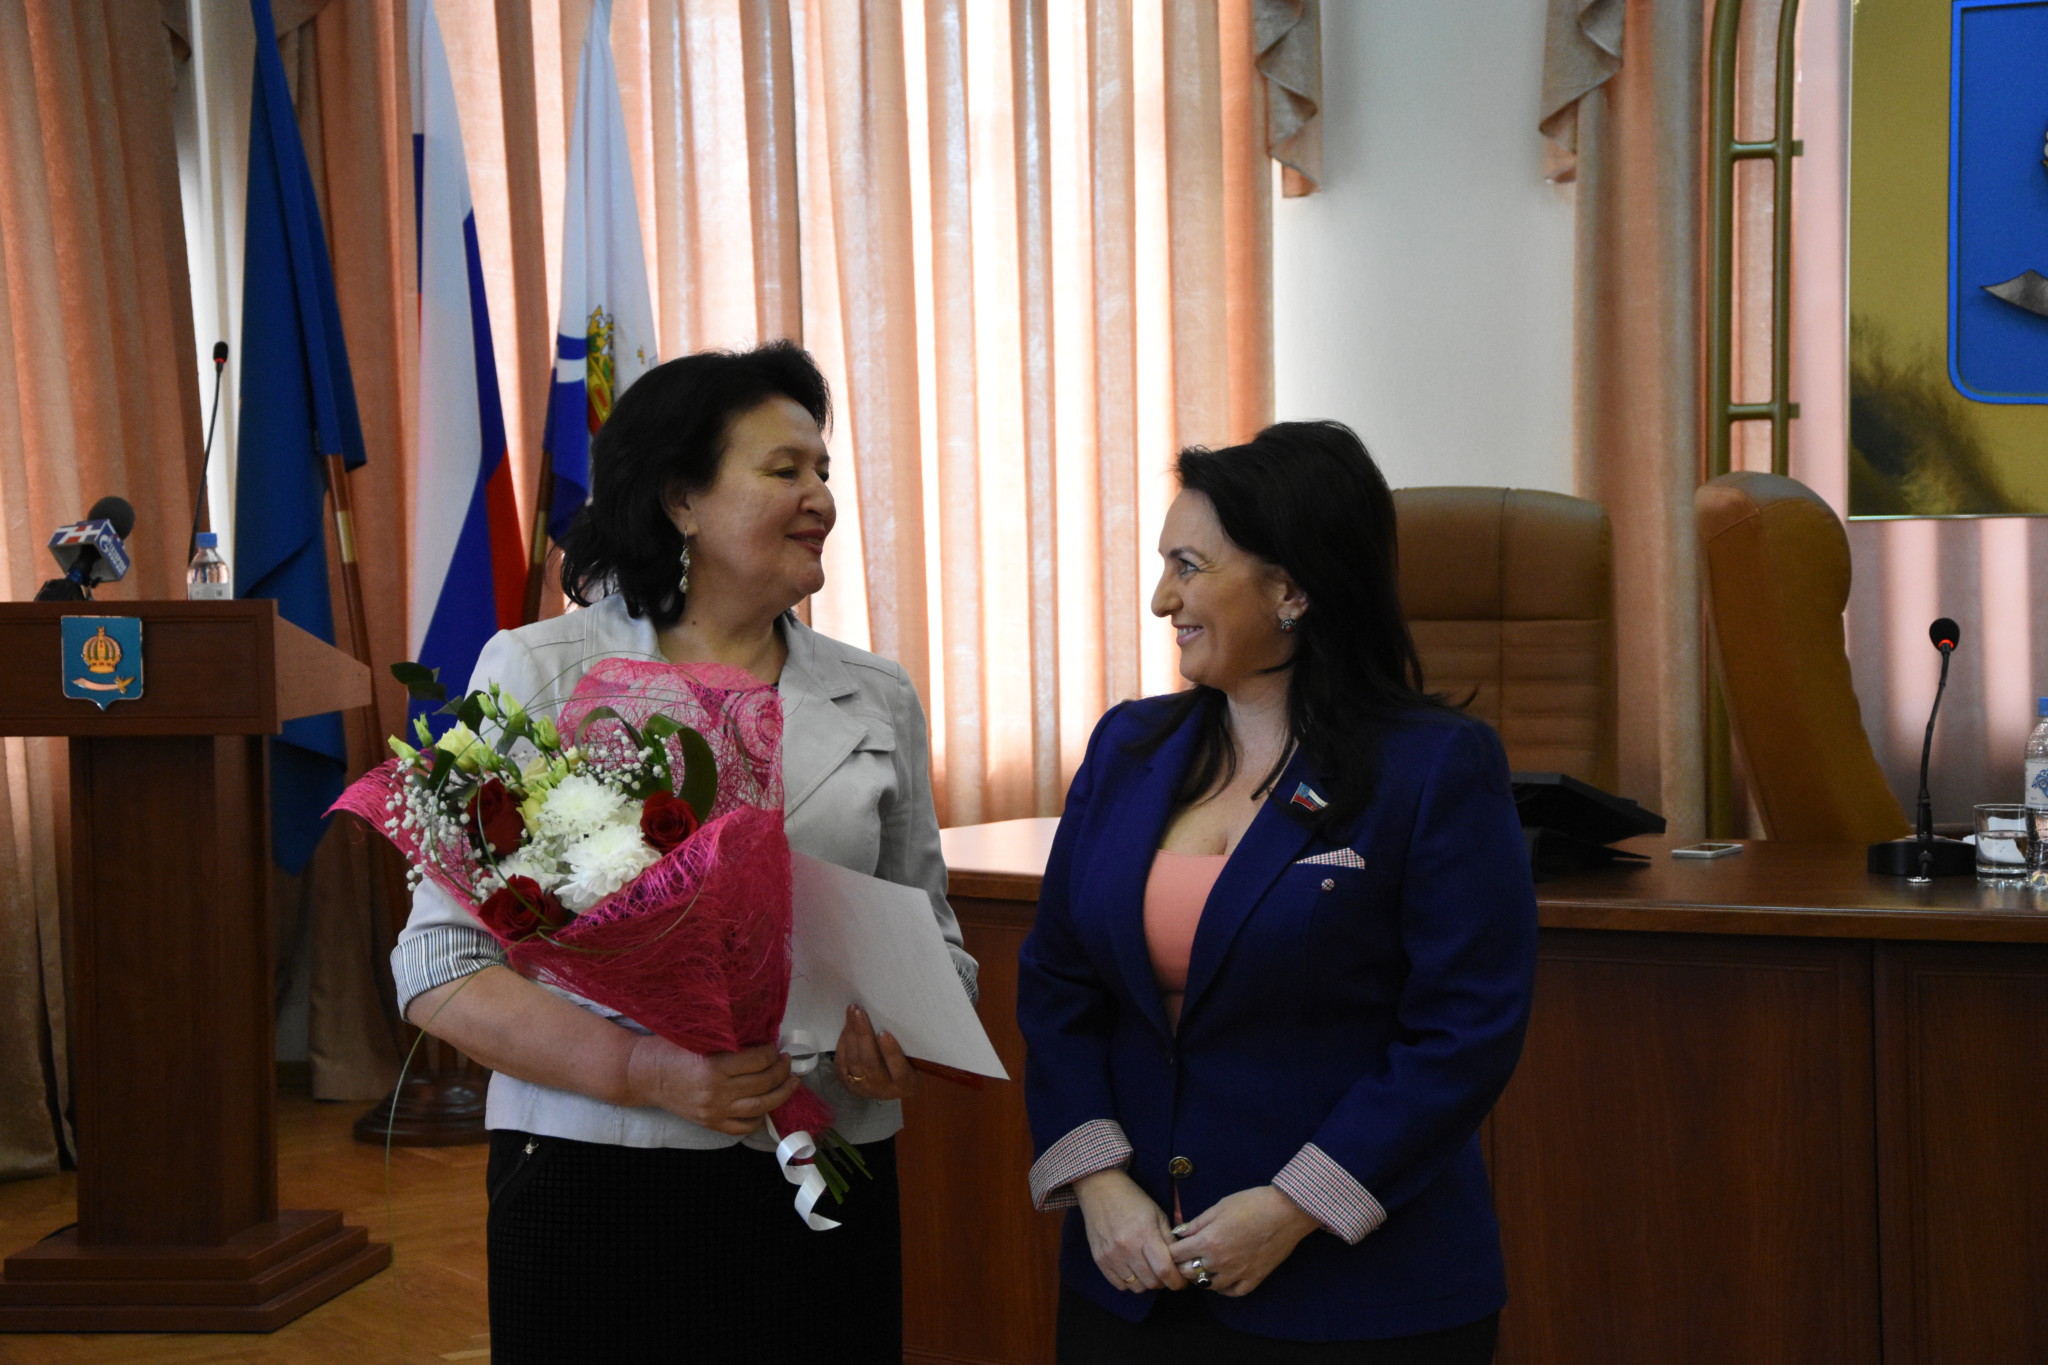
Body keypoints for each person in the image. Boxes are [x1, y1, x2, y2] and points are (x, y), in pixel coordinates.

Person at [393, 342, 975, 1364]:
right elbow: (437, 966)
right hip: (595, 1169)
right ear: (680, 501)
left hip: (824, 1160)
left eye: (823, 472)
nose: (819, 498)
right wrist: (640, 1068)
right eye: (783, 470)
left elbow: (931, 937)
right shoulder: (538, 671)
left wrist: (898, 1037)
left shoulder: (876, 692)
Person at [1017, 420, 1537, 1361]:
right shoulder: (1128, 748)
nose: (1160, 597)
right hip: (1133, 1277)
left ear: (1292, 588)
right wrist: (1097, 1182)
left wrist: (1299, 1204)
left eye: (1189, 565)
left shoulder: (1433, 767)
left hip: (1358, 1292)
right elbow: (1058, 982)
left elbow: (1464, 1028)